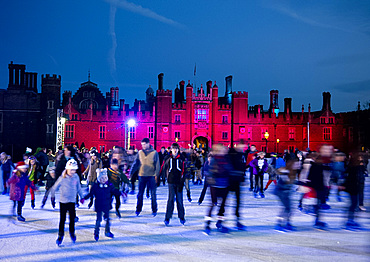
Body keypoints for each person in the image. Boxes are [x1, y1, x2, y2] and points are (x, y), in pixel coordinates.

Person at [51, 159, 85, 246]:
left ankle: (72, 233)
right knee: (62, 219)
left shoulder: (76, 177)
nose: (73, 172)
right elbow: (55, 187)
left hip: (72, 201)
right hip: (63, 201)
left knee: (72, 219)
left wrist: (81, 197)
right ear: (67, 169)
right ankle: (60, 235)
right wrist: (52, 196)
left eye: (74, 170)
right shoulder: (62, 177)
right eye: (71, 170)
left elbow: (78, 188)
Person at [81, 168, 121, 241]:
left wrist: (121, 193)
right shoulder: (96, 186)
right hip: (99, 206)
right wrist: (84, 198)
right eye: (102, 178)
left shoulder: (109, 185)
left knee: (107, 219)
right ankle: (96, 233)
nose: (104, 179)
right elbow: (91, 194)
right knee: (98, 220)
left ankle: (107, 231)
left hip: (107, 206)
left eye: (105, 178)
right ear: (99, 178)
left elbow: (115, 191)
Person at [204, 144, 232, 235]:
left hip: (224, 185)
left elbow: (229, 170)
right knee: (213, 204)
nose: (224, 152)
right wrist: (212, 179)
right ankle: (207, 224)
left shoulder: (226, 159)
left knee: (222, 206)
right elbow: (210, 171)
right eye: (222, 150)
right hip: (215, 186)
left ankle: (220, 222)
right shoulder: (214, 160)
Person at [130, 138, 160, 216]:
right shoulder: (140, 153)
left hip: (151, 176)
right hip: (142, 175)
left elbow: (157, 164)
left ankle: (154, 209)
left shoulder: (154, 153)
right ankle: (138, 209)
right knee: (140, 194)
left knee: (153, 194)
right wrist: (131, 172)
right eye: (142, 144)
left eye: (144, 144)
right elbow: (136, 163)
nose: (143, 146)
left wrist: (157, 175)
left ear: (148, 144)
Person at [160, 143, 186, 226]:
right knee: (170, 199)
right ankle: (167, 217)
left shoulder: (181, 158)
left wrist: (182, 181)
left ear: (178, 150)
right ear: (171, 149)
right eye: (173, 149)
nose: (175, 150)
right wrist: (160, 178)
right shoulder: (168, 158)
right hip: (171, 181)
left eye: (176, 149)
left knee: (179, 200)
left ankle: (181, 217)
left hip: (179, 182)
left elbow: (185, 170)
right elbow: (163, 168)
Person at [274, 160, 299, 232]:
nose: (298, 166)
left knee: (288, 208)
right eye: (296, 165)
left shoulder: (292, 172)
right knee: (287, 208)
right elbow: (286, 181)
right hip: (281, 192)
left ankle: (287, 223)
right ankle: (279, 224)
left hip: (286, 192)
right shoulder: (285, 172)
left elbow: (292, 182)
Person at [228, 142, 247, 230]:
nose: (242, 148)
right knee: (224, 202)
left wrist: (243, 178)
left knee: (238, 202)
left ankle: (237, 220)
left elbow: (242, 167)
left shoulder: (241, 155)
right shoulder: (232, 154)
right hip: (229, 181)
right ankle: (220, 220)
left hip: (237, 181)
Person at [343, 153, 365, 230]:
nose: (361, 158)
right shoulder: (353, 167)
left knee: (354, 204)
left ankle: (351, 220)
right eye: (359, 157)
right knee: (353, 204)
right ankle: (349, 221)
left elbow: (362, 174)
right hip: (353, 188)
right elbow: (350, 178)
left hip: (356, 186)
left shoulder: (359, 166)